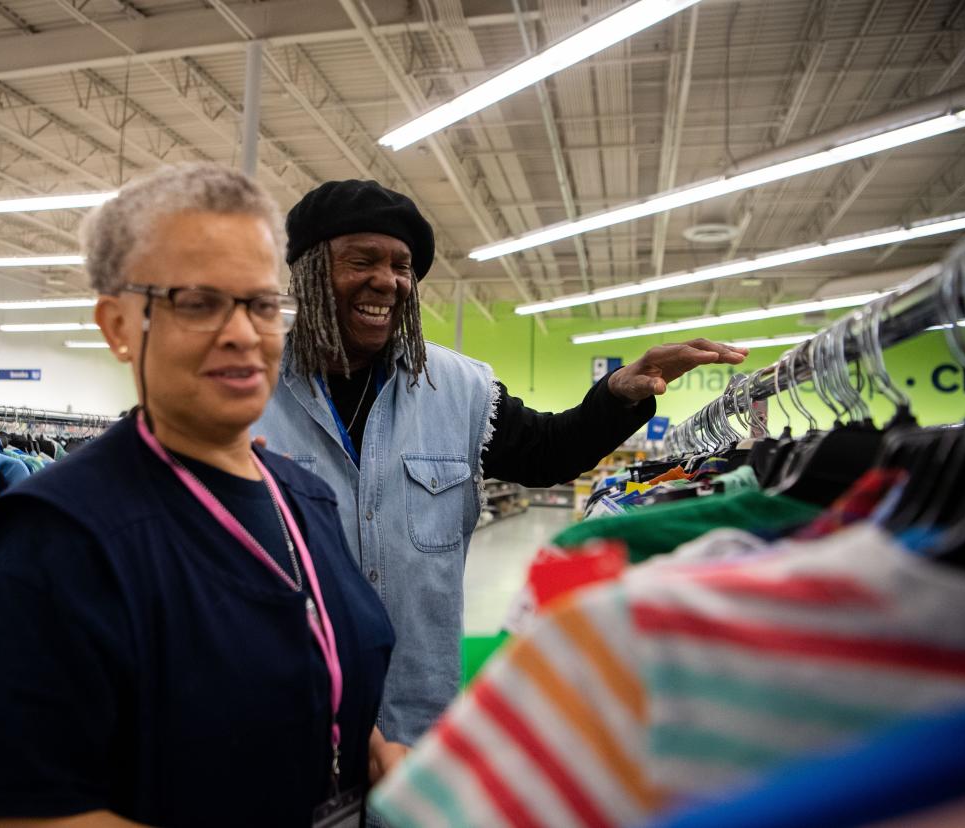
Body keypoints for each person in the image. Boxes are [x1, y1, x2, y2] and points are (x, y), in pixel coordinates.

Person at [0, 164, 396, 827]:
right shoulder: (58, 538)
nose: (243, 333)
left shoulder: (305, 499)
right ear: (117, 325)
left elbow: (316, 672)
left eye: (260, 303)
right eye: (197, 302)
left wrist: (366, 752)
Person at [254, 179, 748, 748]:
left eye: (402, 266)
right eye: (361, 261)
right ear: (310, 271)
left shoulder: (459, 389)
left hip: (418, 716)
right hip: (288, 722)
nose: (386, 281)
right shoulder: (244, 386)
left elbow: (546, 452)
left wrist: (619, 395)